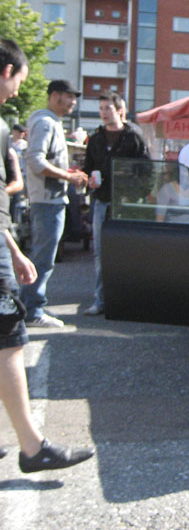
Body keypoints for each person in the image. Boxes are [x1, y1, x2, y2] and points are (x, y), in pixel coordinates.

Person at [0, 38, 95, 471]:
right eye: (17, 79)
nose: (17, 90)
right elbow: (36, 163)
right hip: (42, 204)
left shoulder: (35, 122)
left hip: (24, 220)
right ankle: (32, 448)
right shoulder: (37, 123)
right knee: (9, 340)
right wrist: (69, 176)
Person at [22, 79, 88, 327]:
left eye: (74, 98)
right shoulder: (45, 122)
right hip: (47, 201)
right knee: (43, 258)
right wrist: (68, 177)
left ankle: (28, 308)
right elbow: (35, 160)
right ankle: (32, 311)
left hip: (49, 199)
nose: (73, 102)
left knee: (43, 257)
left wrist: (70, 173)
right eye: (69, 96)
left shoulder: (50, 122)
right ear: (54, 96)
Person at [82, 91, 150, 316]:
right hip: (102, 200)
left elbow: (147, 170)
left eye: (107, 108)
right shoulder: (96, 138)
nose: (103, 113)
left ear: (120, 110)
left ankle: (128, 300)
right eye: (101, 109)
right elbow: (87, 168)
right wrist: (89, 181)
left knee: (127, 251)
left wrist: (137, 195)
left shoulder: (133, 136)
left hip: (127, 202)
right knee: (100, 253)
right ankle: (100, 300)